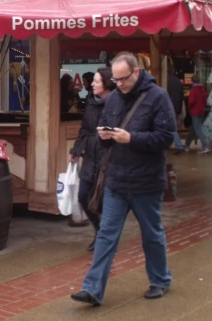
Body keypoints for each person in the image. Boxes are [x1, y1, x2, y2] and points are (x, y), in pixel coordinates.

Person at [72, 52, 174, 306]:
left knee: (151, 234)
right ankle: (93, 289)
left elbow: (166, 137)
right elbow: (106, 124)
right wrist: (104, 136)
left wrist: (132, 138)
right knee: (106, 234)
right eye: (115, 80)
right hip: (117, 179)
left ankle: (160, 279)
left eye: (123, 79)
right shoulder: (114, 98)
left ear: (137, 72)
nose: (119, 84)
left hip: (146, 182)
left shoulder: (158, 97)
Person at [69, 67, 117, 252]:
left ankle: (105, 237)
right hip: (89, 155)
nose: (92, 84)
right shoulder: (90, 100)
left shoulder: (115, 104)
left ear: (106, 84)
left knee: (103, 200)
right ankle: (99, 229)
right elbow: (84, 128)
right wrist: (76, 149)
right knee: (83, 196)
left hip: (107, 158)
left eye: (97, 81)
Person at [185, 75, 209, 153]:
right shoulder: (203, 89)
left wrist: (189, 108)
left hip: (194, 111)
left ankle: (205, 146)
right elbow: (205, 101)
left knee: (197, 129)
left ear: (192, 81)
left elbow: (191, 101)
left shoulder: (194, 90)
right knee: (194, 129)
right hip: (201, 111)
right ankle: (187, 145)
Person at [167, 68, 186, 154]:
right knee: (170, 127)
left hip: (169, 107)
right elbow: (182, 96)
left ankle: (179, 146)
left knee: (171, 128)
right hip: (176, 106)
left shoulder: (166, 81)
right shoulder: (178, 81)